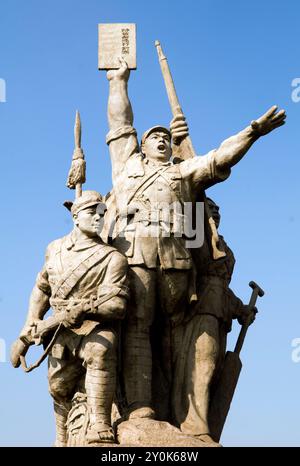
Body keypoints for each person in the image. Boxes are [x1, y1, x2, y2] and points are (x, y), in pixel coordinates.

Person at [105, 57, 285, 422]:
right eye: (155, 136)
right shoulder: (126, 166)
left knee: (174, 339)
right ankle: (140, 408)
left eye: (166, 138)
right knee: (139, 328)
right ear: (141, 145)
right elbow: (120, 122)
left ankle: (180, 415)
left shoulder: (184, 171)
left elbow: (220, 158)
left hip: (176, 265)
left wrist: (251, 132)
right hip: (136, 256)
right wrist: (117, 81)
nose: (162, 140)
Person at [11, 191, 129, 446]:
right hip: (57, 331)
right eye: (91, 212)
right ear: (75, 216)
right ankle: (62, 435)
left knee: (101, 348)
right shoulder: (54, 249)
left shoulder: (113, 258)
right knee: (58, 388)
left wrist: (87, 310)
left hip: (94, 326)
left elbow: (117, 305)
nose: (98, 218)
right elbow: (42, 288)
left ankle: (100, 422)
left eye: (102, 214)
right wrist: (31, 322)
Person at [171, 198, 256, 445]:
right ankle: (194, 424)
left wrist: (241, 309)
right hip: (200, 312)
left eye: (218, 208)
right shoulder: (196, 238)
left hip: (220, 314)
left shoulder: (223, 245)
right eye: (210, 208)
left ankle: (203, 422)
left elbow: (221, 287)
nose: (216, 211)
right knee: (202, 365)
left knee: (214, 368)